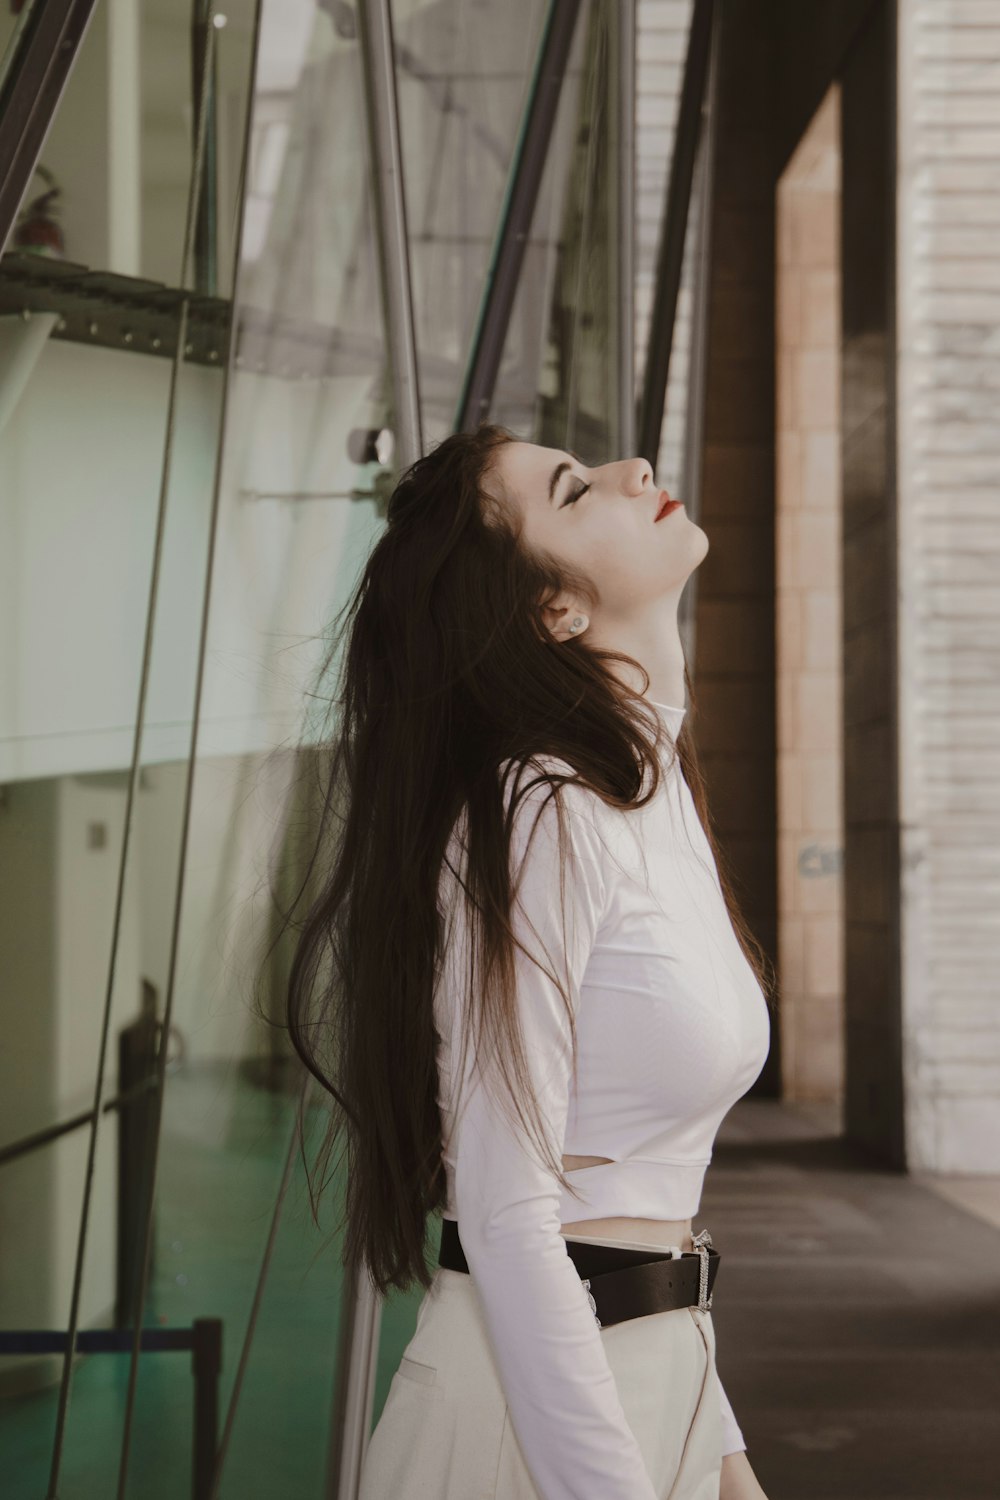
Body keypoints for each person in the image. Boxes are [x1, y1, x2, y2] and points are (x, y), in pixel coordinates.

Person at [282, 424, 775, 1499]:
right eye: (575, 487)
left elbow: (645, 1205)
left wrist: (722, 1450)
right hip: (529, 1430)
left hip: (651, 1386)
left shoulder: (642, 792)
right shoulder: (538, 808)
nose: (632, 471)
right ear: (552, 609)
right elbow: (508, 1218)